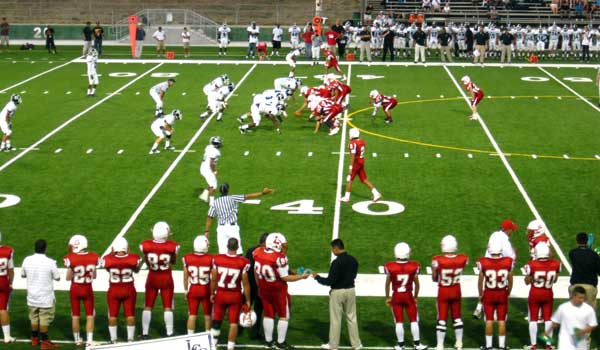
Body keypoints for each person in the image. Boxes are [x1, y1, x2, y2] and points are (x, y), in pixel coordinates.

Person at [253, 233, 309, 349]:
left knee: (268, 314)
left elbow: (255, 271)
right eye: (282, 244)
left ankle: (268, 342)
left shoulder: (258, 252)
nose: (283, 247)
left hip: (264, 289)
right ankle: (280, 342)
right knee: (284, 315)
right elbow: (285, 277)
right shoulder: (279, 258)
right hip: (278, 291)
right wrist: (301, 277)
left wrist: (259, 286)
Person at [312, 239, 361, 350]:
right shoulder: (354, 260)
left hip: (337, 293)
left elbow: (329, 281)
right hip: (351, 290)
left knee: (336, 319)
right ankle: (356, 344)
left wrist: (317, 277)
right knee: (352, 317)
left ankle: (333, 345)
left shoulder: (336, 262)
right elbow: (353, 276)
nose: (332, 251)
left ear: (336, 248)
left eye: (332, 249)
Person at [204, 183, 274, 254]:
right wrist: (262, 193)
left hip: (221, 229)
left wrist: (207, 231)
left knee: (222, 254)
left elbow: (210, 216)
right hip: (233, 228)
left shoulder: (215, 202)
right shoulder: (232, 198)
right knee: (237, 252)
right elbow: (248, 196)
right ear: (228, 190)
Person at [384, 242, 428, 350]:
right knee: (413, 320)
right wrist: (416, 296)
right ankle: (417, 344)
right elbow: (417, 284)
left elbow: (387, 283)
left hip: (396, 296)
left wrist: (387, 297)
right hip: (408, 295)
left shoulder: (390, 266)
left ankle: (401, 345)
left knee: (399, 321)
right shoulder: (414, 266)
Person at [140, 221, 180, 338]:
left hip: (152, 277)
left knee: (148, 305)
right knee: (167, 306)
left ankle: (145, 332)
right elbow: (173, 261)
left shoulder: (146, 245)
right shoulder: (173, 246)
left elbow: (146, 259)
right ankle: (169, 332)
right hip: (166, 278)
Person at [210, 238, 251, 350]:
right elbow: (246, 283)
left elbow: (213, 279)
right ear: (238, 247)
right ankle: (230, 347)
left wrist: (212, 293)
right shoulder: (243, 262)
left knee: (217, 320)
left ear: (227, 246)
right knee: (233, 323)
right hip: (234, 295)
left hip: (221, 294)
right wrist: (247, 300)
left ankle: (213, 345)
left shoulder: (217, 259)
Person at [21, 239, 61, 349]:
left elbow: (23, 275)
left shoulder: (27, 260)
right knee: (44, 318)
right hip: (45, 297)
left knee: (33, 317)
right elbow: (57, 277)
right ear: (45, 248)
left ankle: (34, 338)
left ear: (35, 247)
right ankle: (44, 341)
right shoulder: (50, 262)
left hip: (32, 296)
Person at [101, 237, 141, 343]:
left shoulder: (107, 259)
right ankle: (130, 338)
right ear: (126, 248)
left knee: (113, 315)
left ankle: (113, 339)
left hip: (114, 289)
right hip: (129, 289)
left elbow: (107, 266)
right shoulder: (133, 258)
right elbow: (136, 270)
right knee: (130, 314)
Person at [474, 219, 517, 318]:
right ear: (507, 229)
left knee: (484, 284)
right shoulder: (505, 241)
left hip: (486, 262)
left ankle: (479, 307)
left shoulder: (494, 234)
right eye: (511, 229)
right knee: (496, 287)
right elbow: (510, 257)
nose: (512, 232)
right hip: (497, 263)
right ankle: (496, 312)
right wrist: (514, 255)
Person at [431, 235, 468, 350]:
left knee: (442, 318)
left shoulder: (437, 260)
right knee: (457, 317)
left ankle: (440, 344)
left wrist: (435, 271)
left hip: (443, 290)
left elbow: (434, 278)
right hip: (456, 289)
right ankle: (459, 342)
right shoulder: (463, 258)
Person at [477, 239, 514, 350]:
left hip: (489, 293)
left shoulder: (483, 262)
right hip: (502, 292)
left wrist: (480, 295)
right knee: (502, 320)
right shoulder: (508, 261)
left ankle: (488, 346)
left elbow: (480, 281)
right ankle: (501, 346)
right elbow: (510, 279)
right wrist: (508, 292)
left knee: (489, 319)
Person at [523, 243, 561, 350]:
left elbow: (527, 282)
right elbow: (556, 279)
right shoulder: (556, 263)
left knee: (533, 319)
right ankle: (548, 345)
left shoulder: (532, 264)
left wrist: (529, 276)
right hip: (548, 293)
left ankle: (533, 345)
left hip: (535, 293)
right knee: (548, 319)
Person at [64, 234, 99, 347]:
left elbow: (68, 278)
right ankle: (89, 340)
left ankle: (77, 340)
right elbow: (94, 276)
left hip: (75, 288)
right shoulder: (94, 257)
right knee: (89, 315)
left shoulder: (70, 258)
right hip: (87, 288)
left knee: (75, 315)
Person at [339, 128, 382, 203]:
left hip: (356, 162)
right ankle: (376, 193)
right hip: (361, 160)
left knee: (349, 179)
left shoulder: (352, 143)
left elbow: (352, 156)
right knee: (363, 179)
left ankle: (346, 197)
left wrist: (350, 167)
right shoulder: (362, 141)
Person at [183, 235, 213, 335]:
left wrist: (186, 289)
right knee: (207, 315)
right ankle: (208, 336)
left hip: (194, 288)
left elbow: (185, 277)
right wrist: (213, 292)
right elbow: (214, 278)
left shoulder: (187, 258)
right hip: (206, 289)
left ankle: (190, 337)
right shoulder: (211, 259)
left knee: (192, 314)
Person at [245, 233, 269, 340]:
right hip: (259, 285)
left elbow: (246, 268)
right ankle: (254, 332)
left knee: (246, 305)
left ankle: (240, 326)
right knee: (258, 309)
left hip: (249, 284)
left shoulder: (250, 251)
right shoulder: (266, 253)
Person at [568, 232, 600, 309]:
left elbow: (582, 256)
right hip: (590, 287)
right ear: (587, 241)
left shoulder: (572, 253)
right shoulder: (593, 255)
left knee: (574, 312)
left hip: (575, 286)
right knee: (589, 313)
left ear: (577, 241)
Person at [199, 136, 223, 206]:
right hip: (207, 169)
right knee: (213, 185)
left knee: (211, 181)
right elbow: (211, 163)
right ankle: (212, 203)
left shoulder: (208, 147)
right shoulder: (215, 152)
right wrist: (214, 171)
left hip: (203, 167)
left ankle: (204, 195)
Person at [0, 231, 15, 343]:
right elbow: (10, 270)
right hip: (3, 280)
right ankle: (6, 336)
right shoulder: (7, 251)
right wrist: (11, 283)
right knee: (3, 308)